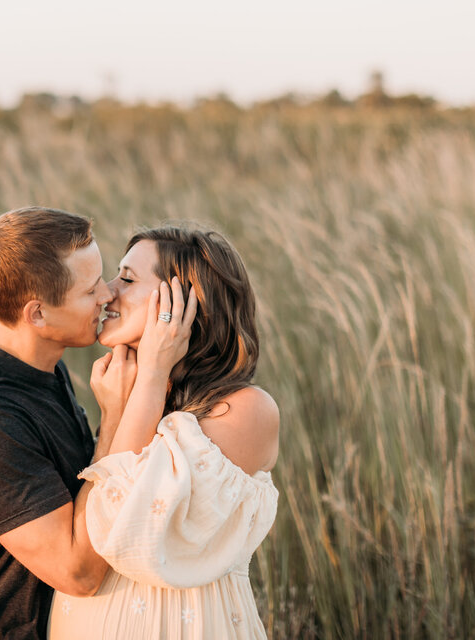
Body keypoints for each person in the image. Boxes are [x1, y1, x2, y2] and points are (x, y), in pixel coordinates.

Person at [0, 207, 194, 639]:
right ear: (37, 315)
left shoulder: (46, 371)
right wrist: (112, 424)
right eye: (90, 291)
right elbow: (78, 572)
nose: (108, 295)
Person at [48, 224, 282, 639]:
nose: (106, 291)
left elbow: (122, 525)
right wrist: (123, 406)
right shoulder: (125, 395)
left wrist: (154, 371)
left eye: (127, 278)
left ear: (185, 302)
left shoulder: (246, 410)